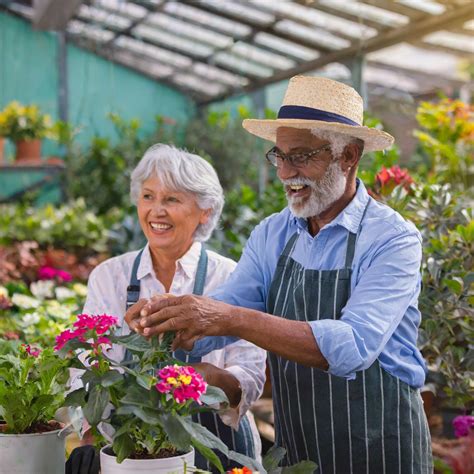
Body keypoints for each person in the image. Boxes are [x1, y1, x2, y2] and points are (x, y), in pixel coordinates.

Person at [128, 76, 433, 473]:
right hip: (298, 447)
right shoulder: (274, 233)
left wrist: (225, 317)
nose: (287, 172)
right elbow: (225, 310)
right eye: (280, 156)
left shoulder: (392, 239)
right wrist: (170, 318)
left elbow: (353, 347)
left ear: (349, 156)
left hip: (380, 446)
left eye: (303, 155)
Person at [79, 144, 266, 470]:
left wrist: (207, 379)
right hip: (132, 448)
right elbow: (88, 367)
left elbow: (249, 378)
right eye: (148, 196)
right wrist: (88, 434)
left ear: (204, 211)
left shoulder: (232, 277)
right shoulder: (110, 277)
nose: (156, 211)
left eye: (172, 199)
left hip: (216, 446)